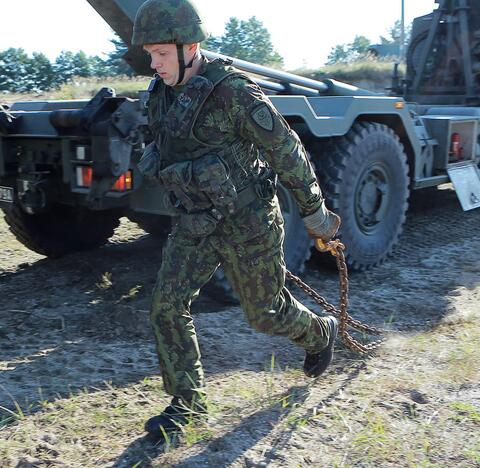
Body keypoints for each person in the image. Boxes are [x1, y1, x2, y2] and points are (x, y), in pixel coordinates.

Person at [132, 0, 342, 438]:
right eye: (150, 54)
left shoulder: (232, 92)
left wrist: (315, 213)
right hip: (196, 224)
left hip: (249, 223)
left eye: (161, 54)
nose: (154, 64)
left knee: (264, 314)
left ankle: (320, 333)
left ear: (189, 47)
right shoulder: (159, 96)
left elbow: (286, 151)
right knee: (166, 307)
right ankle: (187, 405)